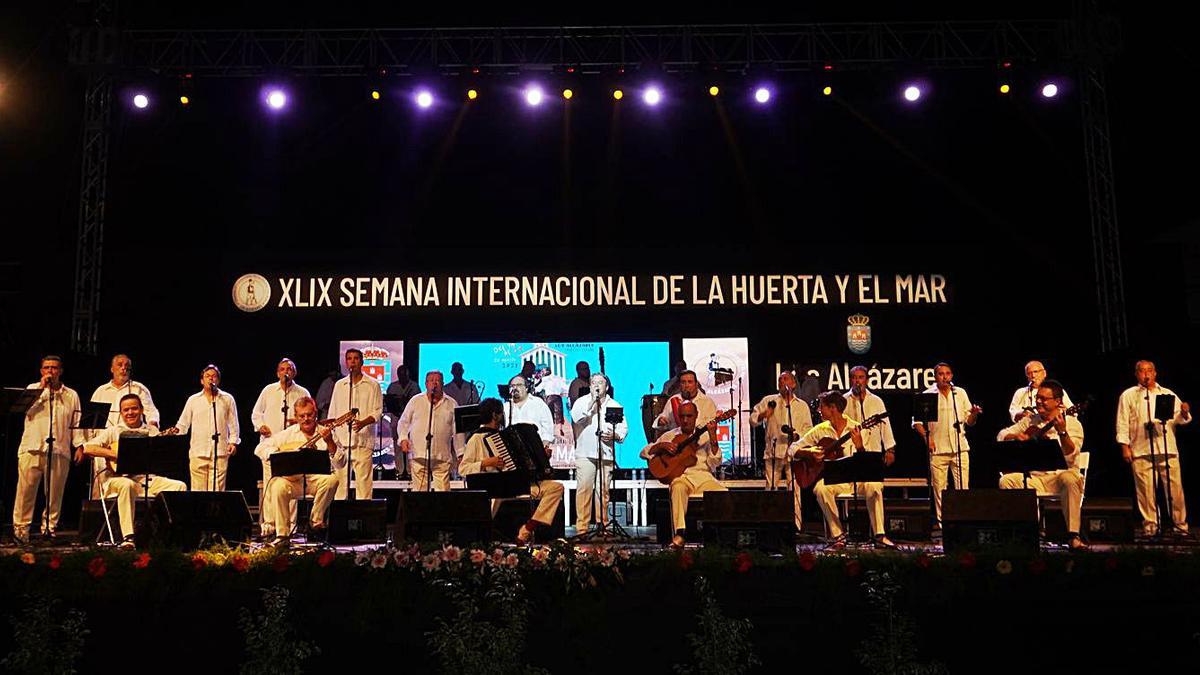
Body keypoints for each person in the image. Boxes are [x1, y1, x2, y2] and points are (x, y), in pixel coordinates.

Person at [792, 391, 896, 549]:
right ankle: (838, 535)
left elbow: (866, 462)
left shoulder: (857, 427)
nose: (820, 410)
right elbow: (792, 449)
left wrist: (859, 445)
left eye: (822, 407)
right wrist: (810, 451)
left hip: (857, 479)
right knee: (820, 489)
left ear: (832, 408)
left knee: (874, 486)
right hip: (837, 480)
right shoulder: (820, 429)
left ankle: (879, 535)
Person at [79, 394, 185, 549]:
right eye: (126, 410)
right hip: (116, 480)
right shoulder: (114, 431)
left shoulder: (152, 430)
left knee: (179, 486)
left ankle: (166, 534)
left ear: (141, 410)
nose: (130, 412)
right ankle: (129, 538)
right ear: (121, 413)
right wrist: (115, 454)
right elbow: (88, 447)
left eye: (134, 408)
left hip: (145, 479)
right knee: (127, 484)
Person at [997, 380, 1087, 550]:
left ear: (1058, 402)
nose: (1038, 402)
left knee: (1070, 479)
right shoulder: (1031, 420)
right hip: (1035, 477)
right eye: (1038, 398)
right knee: (1007, 481)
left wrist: (1062, 432)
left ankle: (1073, 536)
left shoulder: (1073, 423)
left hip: (1059, 476)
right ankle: (1022, 533)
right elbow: (1002, 435)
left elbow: (1071, 454)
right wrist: (1015, 437)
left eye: (1044, 399)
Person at [460, 398, 564, 544]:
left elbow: (526, 462)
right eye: (501, 413)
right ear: (495, 415)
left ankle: (528, 528)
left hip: (515, 484)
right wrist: (484, 463)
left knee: (556, 487)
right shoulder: (476, 439)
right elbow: (463, 468)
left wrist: (541, 455)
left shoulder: (507, 436)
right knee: (494, 499)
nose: (502, 416)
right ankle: (484, 536)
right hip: (494, 488)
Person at [12, 355, 85, 544]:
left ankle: (49, 529)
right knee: (25, 492)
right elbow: (26, 412)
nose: (50, 371)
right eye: (46, 368)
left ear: (60, 371)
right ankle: (21, 531)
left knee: (54, 493)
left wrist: (79, 446)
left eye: (54, 368)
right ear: (41, 371)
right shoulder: (32, 390)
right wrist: (43, 390)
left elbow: (76, 423)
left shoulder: (71, 395)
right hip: (32, 447)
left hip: (59, 449)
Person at [255, 396, 346, 544]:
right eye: (302, 416)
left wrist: (329, 441)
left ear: (315, 414)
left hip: (315, 480)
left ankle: (315, 522)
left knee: (333, 480)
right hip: (293, 482)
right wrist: (279, 454)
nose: (306, 419)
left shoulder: (326, 433)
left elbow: (341, 463)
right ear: (296, 417)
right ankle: (282, 535)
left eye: (309, 415)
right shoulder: (289, 433)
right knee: (277, 485)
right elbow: (260, 448)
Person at [1117, 360, 1191, 537]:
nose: (1146, 374)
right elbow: (1122, 422)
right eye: (1142, 371)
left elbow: (1179, 419)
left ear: (1155, 373)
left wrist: (1184, 412)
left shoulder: (1166, 393)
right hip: (1141, 449)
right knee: (1146, 492)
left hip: (1167, 449)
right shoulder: (1128, 395)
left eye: (1149, 370)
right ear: (1136, 374)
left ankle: (1180, 526)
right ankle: (1151, 527)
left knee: (1175, 490)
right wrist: (1124, 447)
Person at [641, 401, 727, 547]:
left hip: (703, 477)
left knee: (724, 494)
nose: (686, 420)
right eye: (682, 416)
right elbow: (644, 452)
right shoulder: (670, 435)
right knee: (677, 487)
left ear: (696, 416)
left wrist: (713, 437)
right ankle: (680, 533)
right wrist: (661, 445)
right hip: (682, 477)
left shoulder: (704, 436)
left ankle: (722, 535)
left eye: (689, 416)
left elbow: (715, 462)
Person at [911, 362, 981, 528]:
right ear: (935, 377)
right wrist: (927, 438)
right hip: (938, 449)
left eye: (948, 373)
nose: (945, 377)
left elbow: (969, 421)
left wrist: (975, 414)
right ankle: (943, 524)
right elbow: (917, 422)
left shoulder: (960, 393)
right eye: (941, 374)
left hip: (960, 447)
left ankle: (963, 521)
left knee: (963, 486)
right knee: (940, 489)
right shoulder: (927, 394)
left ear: (951, 376)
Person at [250, 358, 312, 538]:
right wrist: (260, 425)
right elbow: (256, 413)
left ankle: (289, 525)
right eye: (283, 369)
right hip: (272, 445)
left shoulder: (302, 392)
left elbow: (309, 413)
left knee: (290, 484)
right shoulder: (269, 390)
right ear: (278, 373)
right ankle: (269, 525)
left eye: (290, 369)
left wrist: (297, 421)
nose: (286, 372)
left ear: (294, 372)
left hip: (292, 444)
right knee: (271, 484)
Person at [164, 364, 240, 491]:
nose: (211, 379)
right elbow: (183, 424)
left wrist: (233, 442)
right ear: (201, 380)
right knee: (198, 493)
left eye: (214, 376)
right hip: (198, 453)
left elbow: (233, 424)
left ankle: (215, 512)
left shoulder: (227, 399)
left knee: (217, 493)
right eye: (207, 376)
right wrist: (173, 431)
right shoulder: (193, 400)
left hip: (220, 452)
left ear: (218, 380)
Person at [570, 374, 628, 534]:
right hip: (585, 452)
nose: (597, 385)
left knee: (603, 491)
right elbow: (577, 419)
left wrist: (615, 435)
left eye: (600, 383)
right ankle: (582, 529)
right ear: (589, 386)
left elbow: (623, 429)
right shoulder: (581, 402)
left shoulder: (614, 404)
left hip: (606, 453)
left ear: (606, 386)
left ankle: (602, 525)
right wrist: (590, 405)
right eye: (594, 383)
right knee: (584, 490)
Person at [327, 348, 383, 499]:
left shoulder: (373, 384)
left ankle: (364, 520)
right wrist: (333, 437)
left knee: (364, 487)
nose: (353, 361)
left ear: (362, 361)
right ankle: (340, 520)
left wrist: (363, 422)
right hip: (342, 442)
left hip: (363, 442)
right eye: (349, 358)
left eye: (356, 358)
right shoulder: (340, 385)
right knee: (340, 487)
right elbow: (333, 412)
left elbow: (377, 412)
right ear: (346, 362)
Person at [750, 371, 813, 491]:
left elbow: (808, 429)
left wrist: (798, 436)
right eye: (780, 380)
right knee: (771, 488)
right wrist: (763, 415)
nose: (782, 382)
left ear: (793, 384)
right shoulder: (769, 401)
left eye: (785, 379)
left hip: (794, 452)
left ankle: (794, 510)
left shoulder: (802, 405)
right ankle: (772, 510)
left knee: (795, 489)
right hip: (774, 451)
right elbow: (752, 420)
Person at [398, 371, 461, 492]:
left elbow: (458, 431)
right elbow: (404, 422)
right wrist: (403, 439)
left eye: (437, 380)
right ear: (426, 384)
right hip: (419, 453)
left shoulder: (452, 404)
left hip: (441, 455)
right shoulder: (415, 401)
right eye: (431, 380)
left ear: (443, 383)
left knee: (442, 493)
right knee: (420, 493)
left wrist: (460, 453)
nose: (434, 383)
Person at [90, 353, 160, 430]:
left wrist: (152, 423)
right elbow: (91, 419)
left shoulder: (139, 388)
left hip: (130, 436)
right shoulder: (101, 391)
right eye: (120, 365)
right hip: (104, 437)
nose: (124, 368)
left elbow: (151, 411)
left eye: (127, 366)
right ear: (112, 369)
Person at [1008, 360, 1073, 422]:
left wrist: (1063, 412)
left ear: (1044, 373)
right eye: (1029, 373)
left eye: (1036, 372)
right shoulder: (1020, 392)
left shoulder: (1055, 390)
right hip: (1026, 427)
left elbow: (1072, 412)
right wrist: (1020, 414)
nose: (1033, 376)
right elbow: (1013, 411)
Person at [654, 370, 718, 432]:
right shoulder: (673, 400)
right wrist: (660, 421)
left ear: (696, 384)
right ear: (680, 385)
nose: (686, 385)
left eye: (690, 382)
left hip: (701, 441)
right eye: (683, 382)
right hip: (677, 440)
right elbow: (662, 420)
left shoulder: (707, 402)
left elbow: (712, 427)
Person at [503, 375, 554, 449]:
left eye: (519, 385)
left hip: (536, 449)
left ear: (526, 388)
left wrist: (543, 448)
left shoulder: (538, 403)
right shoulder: (506, 407)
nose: (515, 388)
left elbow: (548, 429)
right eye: (512, 386)